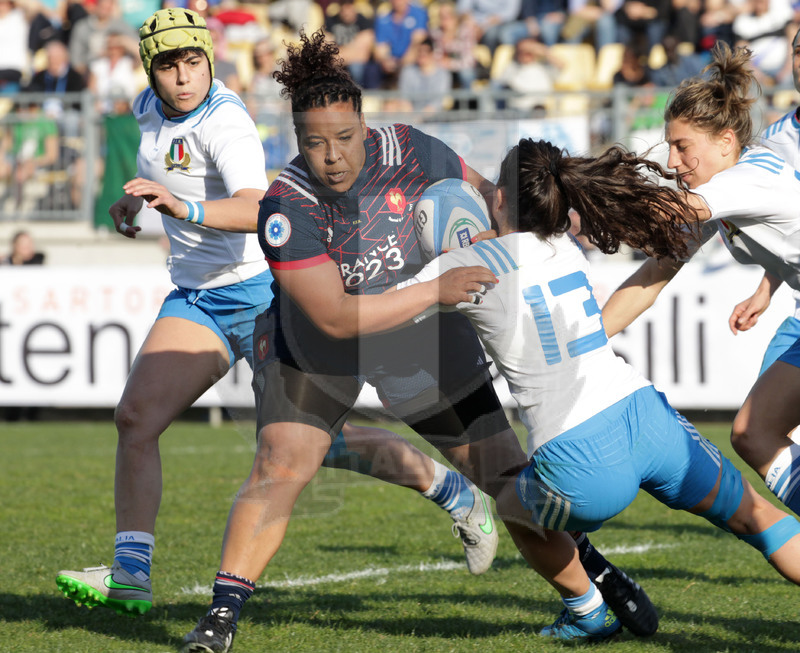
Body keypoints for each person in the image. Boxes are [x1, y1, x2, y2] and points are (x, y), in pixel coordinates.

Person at [181, 28, 658, 653]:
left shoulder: (411, 150)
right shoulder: (286, 204)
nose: (332, 156)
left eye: (345, 138)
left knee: (506, 479)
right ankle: (219, 621)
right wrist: (435, 290)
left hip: (421, 341)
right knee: (279, 465)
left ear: (365, 124)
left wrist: (519, 221)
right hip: (321, 344)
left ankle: (586, 587)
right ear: (296, 139)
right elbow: (333, 317)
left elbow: (490, 201)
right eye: (314, 142)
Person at [53, 7, 507, 624]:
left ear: (208, 61)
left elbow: (255, 207)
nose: (183, 77)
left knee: (307, 450)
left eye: (193, 62)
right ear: (149, 70)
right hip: (198, 295)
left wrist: (180, 209)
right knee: (135, 417)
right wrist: (133, 205)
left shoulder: (226, 122)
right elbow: (165, 179)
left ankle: (453, 490)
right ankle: (131, 574)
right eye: (168, 65)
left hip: (264, 294)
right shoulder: (146, 112)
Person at [405, 137, 800, 641]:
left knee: (510, 499)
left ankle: (587, 609)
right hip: (647, 419)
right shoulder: (563, 246)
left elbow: (367, 322)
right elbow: (519, 254)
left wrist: (431, 276)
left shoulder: (462, 269)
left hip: (579, 460)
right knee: (760, 521)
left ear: (498, 199)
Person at [600, 42, 800, 518]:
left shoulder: (748, 177)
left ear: (726, 142)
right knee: (753, 433)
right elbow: (654, 274)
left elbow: (673, 212)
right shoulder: (723, 187)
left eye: (681, 147)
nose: (671, 162)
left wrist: (593, 191)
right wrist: (582, 345)